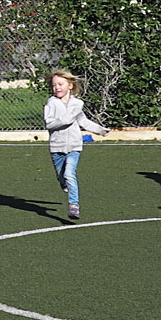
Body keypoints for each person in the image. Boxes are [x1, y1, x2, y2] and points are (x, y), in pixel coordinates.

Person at [43, 69, 108, 221]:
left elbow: (83, 121)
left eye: (60, 84)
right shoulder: (51, 103)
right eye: (54, 85)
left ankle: (74, 206)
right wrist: (64, 121)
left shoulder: (77, 104)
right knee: (61, 176)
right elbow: (49, 123)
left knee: (69, 174)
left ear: (70, 85)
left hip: (74, 146)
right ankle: (62, 183)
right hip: (56, 147)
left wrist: (99, 129)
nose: (57, 88)